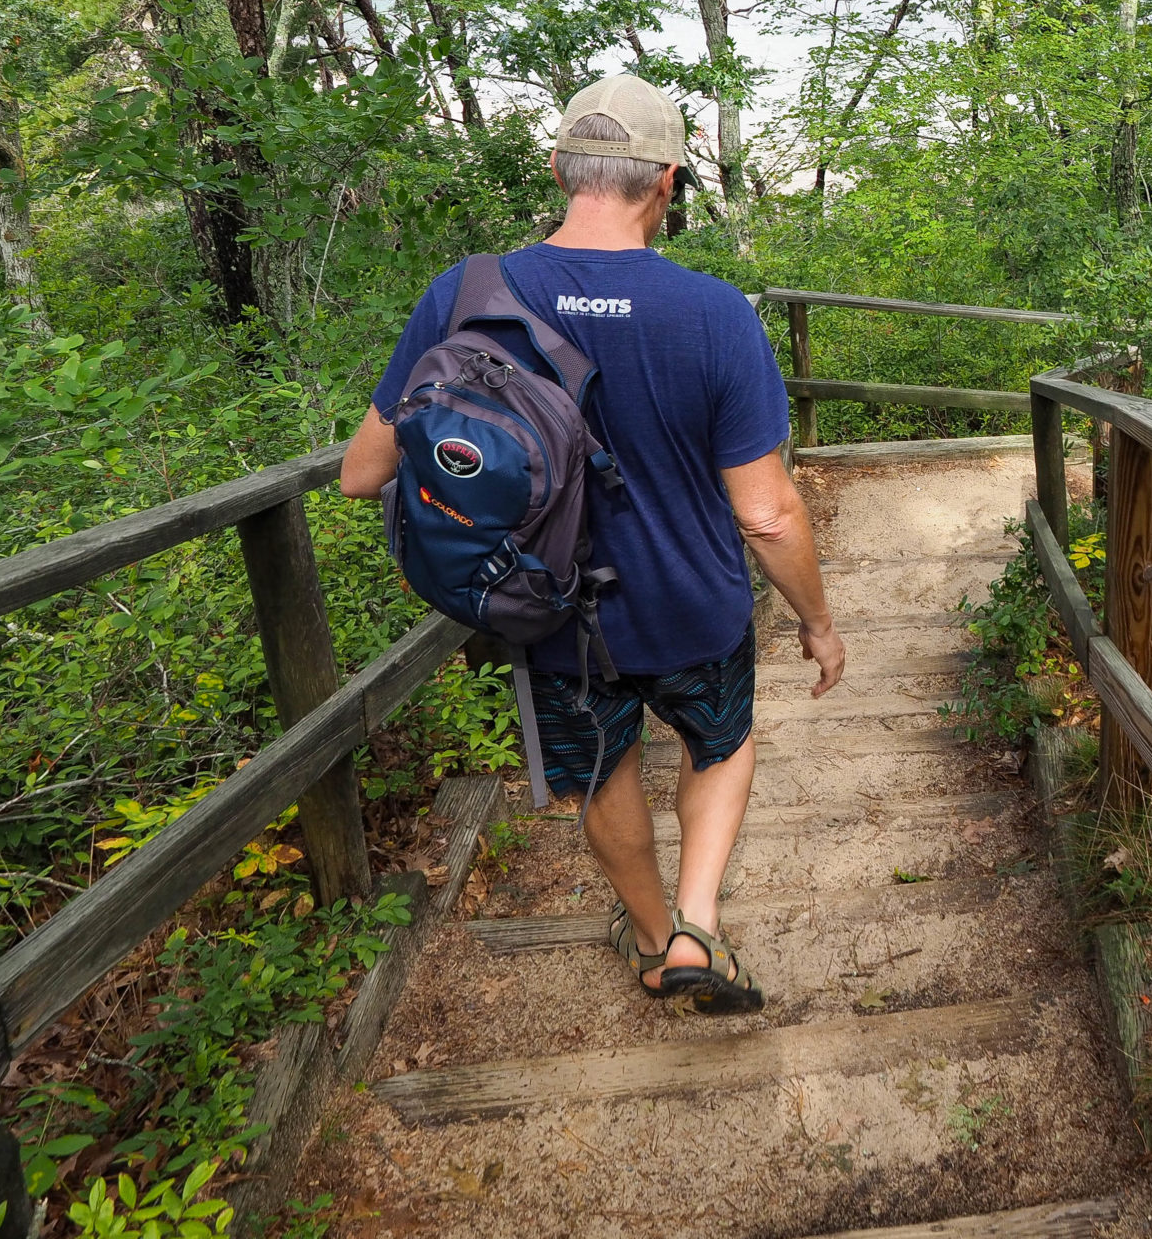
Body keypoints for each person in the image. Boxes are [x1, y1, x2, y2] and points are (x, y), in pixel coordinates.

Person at [338, 74, 844, 1011]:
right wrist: (816, 620)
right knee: (721, 744)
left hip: (549, 611)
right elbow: (768, 513)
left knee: (603, 772)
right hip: (695, 601)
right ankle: (698, 925)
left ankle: (652, 938)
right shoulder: (715, 313)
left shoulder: (465, 293)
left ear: (562, 169)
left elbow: (363, 472)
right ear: (667, 181)